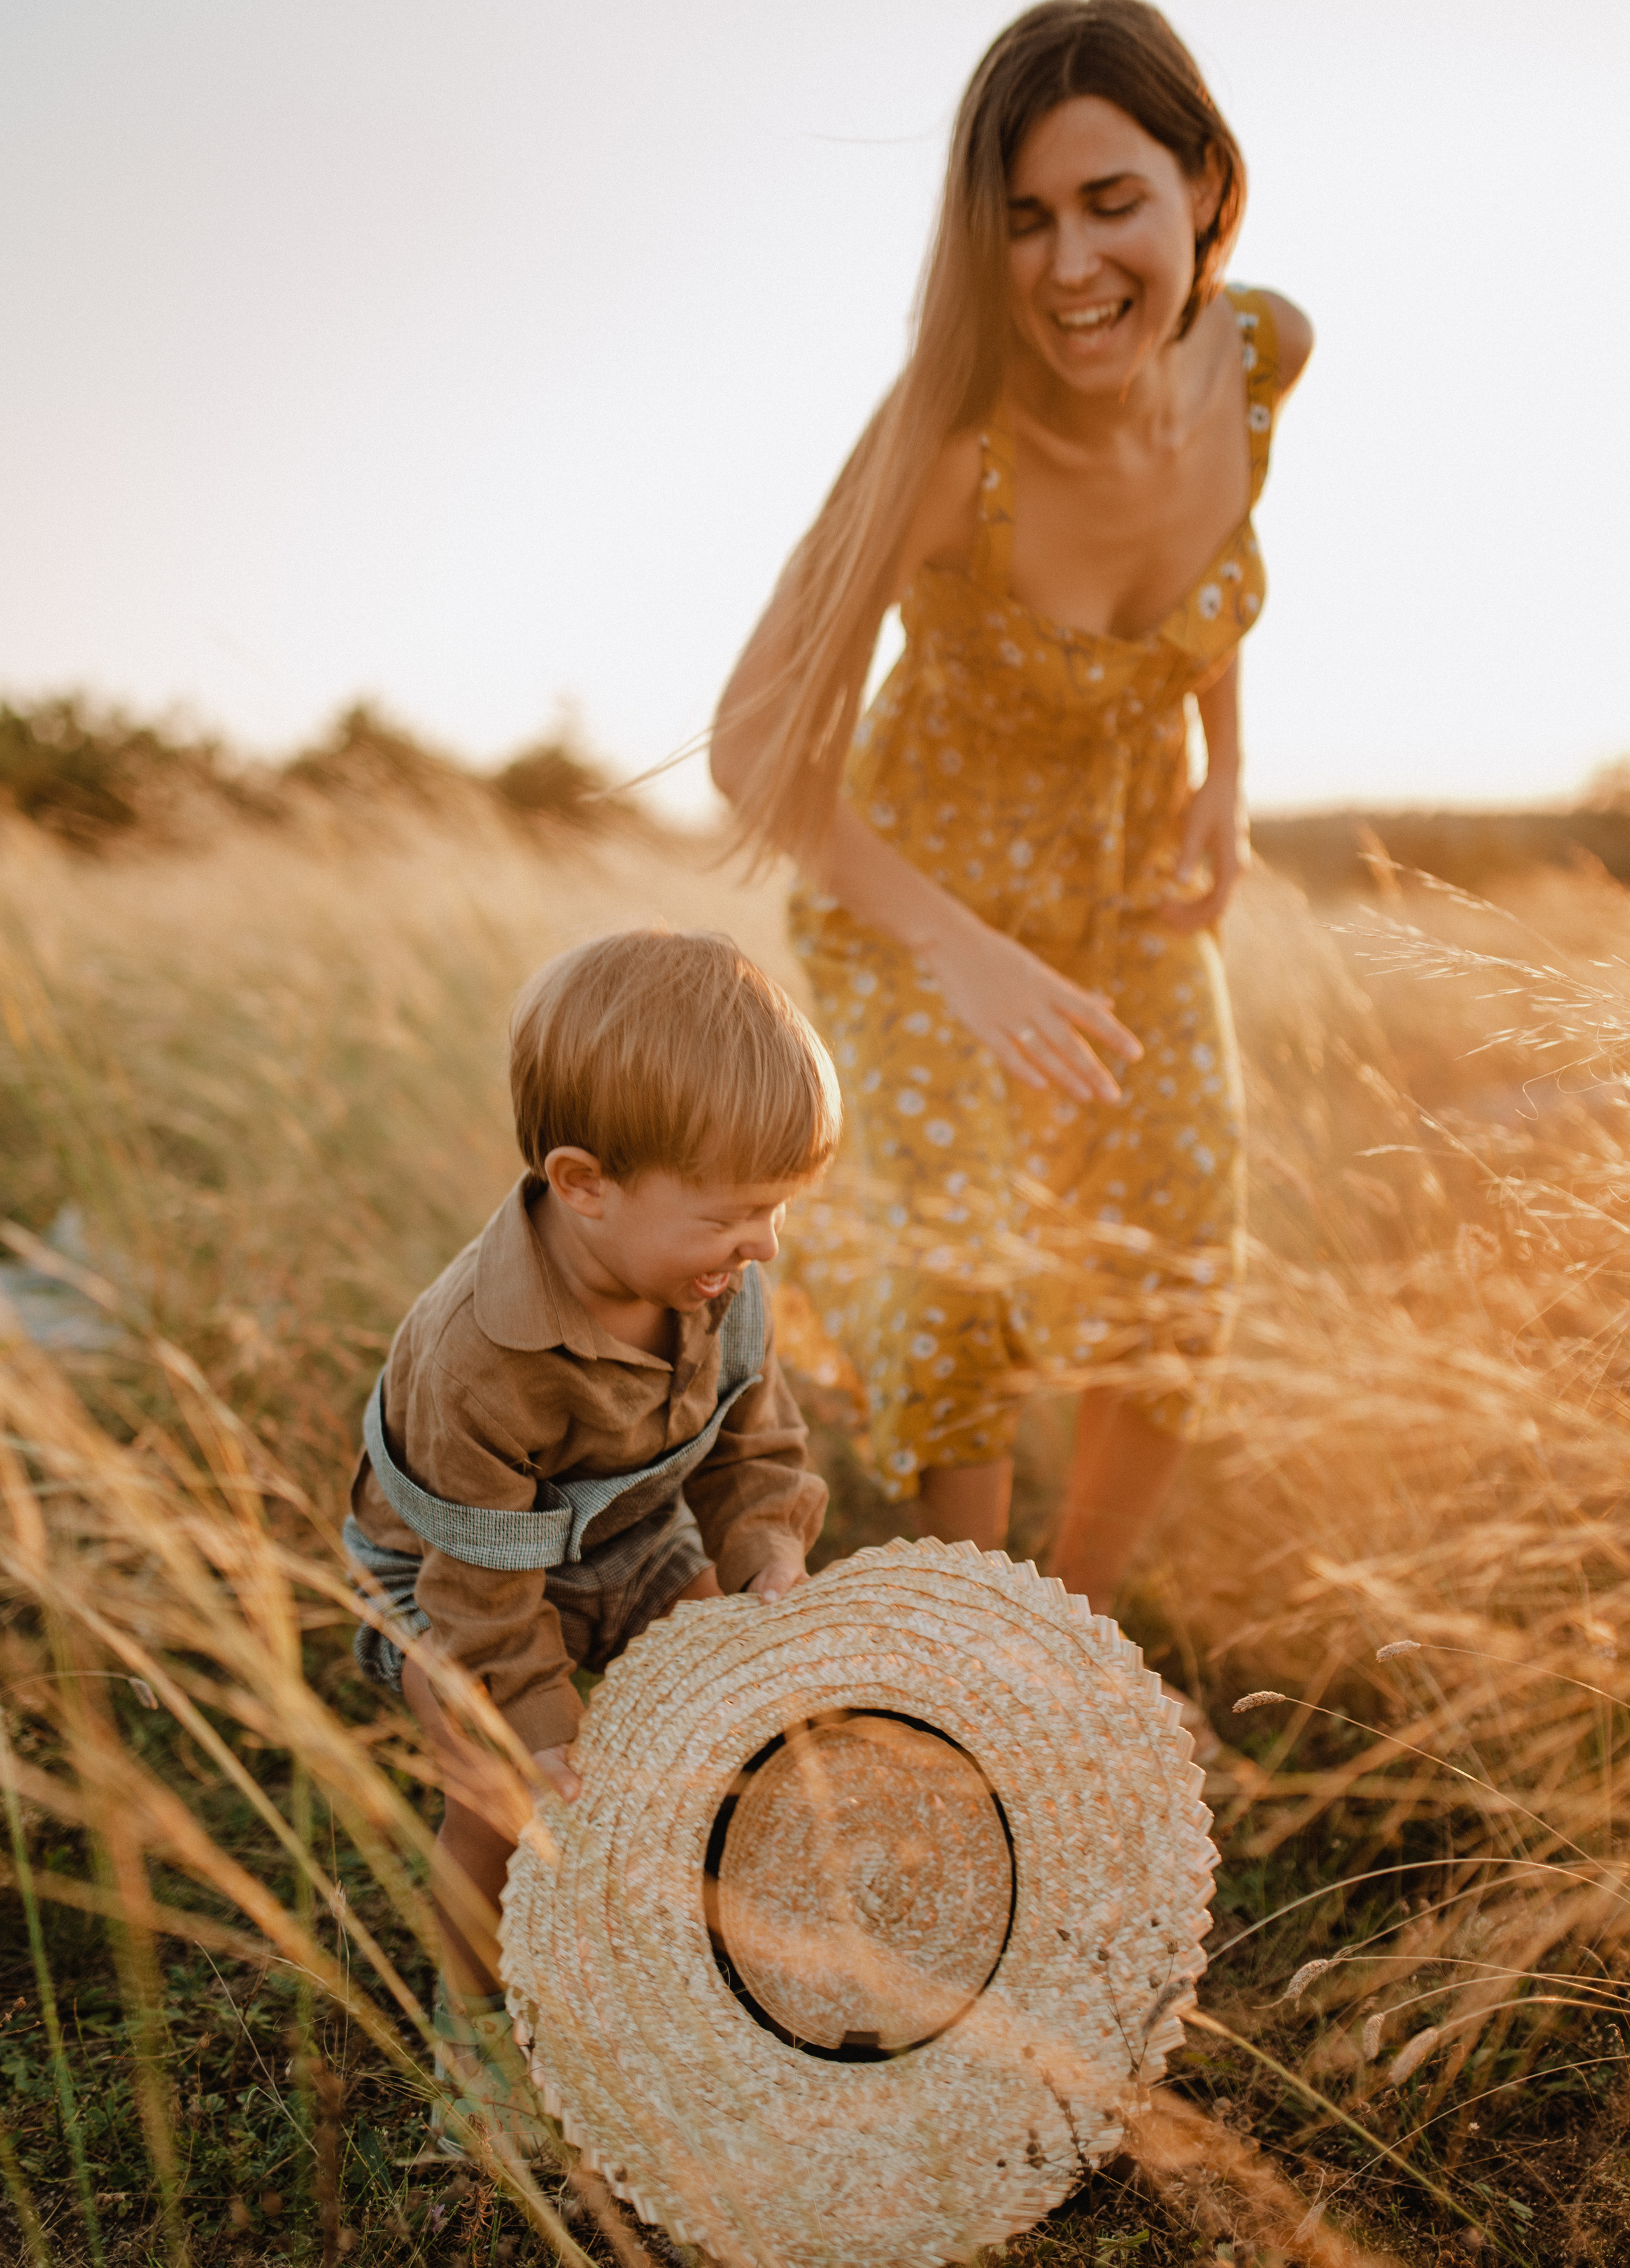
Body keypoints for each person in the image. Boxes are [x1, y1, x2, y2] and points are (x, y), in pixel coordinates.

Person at [710, 0, 1312, 1696]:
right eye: (1023, 218)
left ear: (1202, 183)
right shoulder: (949, 439)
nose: (1068, 266)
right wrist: (956, 952)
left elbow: (1219, 553)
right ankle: (976, 1667)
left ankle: (1079, 1647)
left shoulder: (1264, 351)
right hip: (920, 906)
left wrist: (1228, 772)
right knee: (960, 1296)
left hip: (1128, 891)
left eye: (1110, 200)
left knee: (1181, 1262)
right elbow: (757, 746)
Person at [343, 929, 839, 2156]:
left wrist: (766, 1542)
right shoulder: (481, 1350)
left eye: (776, 1208)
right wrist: (536, 1725)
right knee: (501, 1792)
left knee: (731, 1708)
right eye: (734, 1212)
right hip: (449, 1573)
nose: (765, 1242)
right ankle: (473, 2024)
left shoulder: (718, 1284)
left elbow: (748, 1441)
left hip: (625, 1526)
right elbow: (482, 1574)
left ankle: (703, 1945)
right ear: (583, 1183)